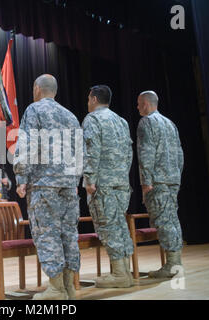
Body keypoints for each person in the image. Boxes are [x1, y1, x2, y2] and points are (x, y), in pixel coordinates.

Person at [14, 74, 83, 300]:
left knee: (47, 233)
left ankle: (55, 290)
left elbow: (27, 145)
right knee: (68, 235)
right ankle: (69, 287)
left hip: (44, 184)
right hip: (69, 185)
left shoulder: (34, 110)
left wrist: (21, 177)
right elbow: (80, 153)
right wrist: (75, 181)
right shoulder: (71, 115)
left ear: (37, 89)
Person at [82, 85, 134, 288]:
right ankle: (125, 273)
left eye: (88, 98)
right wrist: (122, 175)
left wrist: (89, 179)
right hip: (121, 184)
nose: (88, 102)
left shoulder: (92, 119)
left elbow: (91, 150)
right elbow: (129, 153)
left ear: (94, 99)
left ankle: (120, 275)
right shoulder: (121, 121)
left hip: (102, 184)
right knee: (120, 226)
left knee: (108, 228)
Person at [136, 91, 184, 278]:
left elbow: (146, 153)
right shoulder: (170, 123)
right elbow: (180, 154)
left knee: (164, 221)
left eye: (139, 104)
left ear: (147, 104)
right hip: (172, 180)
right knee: (172, 219)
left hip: (158, 181)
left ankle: (173, 265)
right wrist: (177, 176)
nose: (138, 107)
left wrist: (145, 182)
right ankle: (175, 263)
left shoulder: (146, 122)